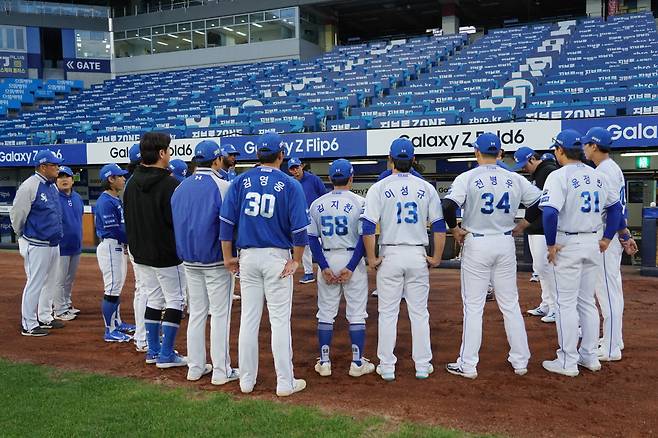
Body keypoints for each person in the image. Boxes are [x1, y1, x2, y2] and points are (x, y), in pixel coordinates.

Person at [442, 133, 542, 379]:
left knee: (474, 307)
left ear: (477, 153)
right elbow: (541, 203)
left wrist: (454, 229)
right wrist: (525, 223)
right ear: (500, 154)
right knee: (510, 304)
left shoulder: (468, 177)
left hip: (477, 242)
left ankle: (468, 364)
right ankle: (520, 362)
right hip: (506, 241)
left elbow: (446, 206)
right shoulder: (514, 178)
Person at [219, 132, 309, 397]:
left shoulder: (239, 181)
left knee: (249, 320)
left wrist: (227, 256)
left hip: (247, 256)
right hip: (276, 257)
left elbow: (226, 224)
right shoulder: (290, 184)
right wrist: (297, 260)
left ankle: (246, 381)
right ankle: (284, 382)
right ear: (281, 155)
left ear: (258, 155)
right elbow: (300, 230)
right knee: (280, 322)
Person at [539, 129, 623, 377]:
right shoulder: (597, 175)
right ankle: (589, 357)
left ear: (560, 150)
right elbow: (616, 207)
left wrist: (551, 244)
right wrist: (607, 238)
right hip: (593, 242)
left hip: (568, 242)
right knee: (587, 302)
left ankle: (567, 361)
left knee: (566, 304)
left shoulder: (558, 175)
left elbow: (550, 212)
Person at [362, 138, 446, 381]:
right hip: (417, 253)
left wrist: (372, 257)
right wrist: (437, 256)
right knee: (419, 313)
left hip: (390, 253)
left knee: (387, 313)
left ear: (390, 160)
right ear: (413, 160)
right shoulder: (427, 187)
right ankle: (422, 365)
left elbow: (368, 225)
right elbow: (439, 225)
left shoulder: (379, 186)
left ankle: (387, 367)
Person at [171, 140, 240, 384]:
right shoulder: (223, 185)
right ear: (216, 160)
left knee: (197, 313)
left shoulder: (179, 187)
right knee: (220, 315)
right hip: (215, 260)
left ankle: (195, 367)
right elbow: (229, 223)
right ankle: (221, 372)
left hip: (189, 259)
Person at [124, 132, 188, 368]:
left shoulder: (130, 183)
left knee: (154, 299)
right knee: (175, 300)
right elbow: (178, 222)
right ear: (161, 153)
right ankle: (166, 353)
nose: (170, 154)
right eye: (168, 150)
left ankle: (153, 350)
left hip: (140, 253)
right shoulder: (170, 184)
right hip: (166, 253)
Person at [308, 159, 374, 378]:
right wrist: (352, 266)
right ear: (351, 177)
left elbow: (312, 239)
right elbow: (365, 237)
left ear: (329, 179)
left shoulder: (317, 204)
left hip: (327, 255)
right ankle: (356, 363)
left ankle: (325, 362)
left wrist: (324, 266)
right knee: (356, 313)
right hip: (351, 256)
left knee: (325, 312)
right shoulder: (361, 202)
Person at [582, 126, 638, 362]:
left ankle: (612, 347)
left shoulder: (604, 171)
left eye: (586, 143)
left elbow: (613, 211)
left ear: (594, 146)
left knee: (607, 292)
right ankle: (615, 339)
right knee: (609, 290)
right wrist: (625, 236)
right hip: (613, 235)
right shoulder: (610, 168)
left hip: (607, 237)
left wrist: (619, 236)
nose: (584, 147)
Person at [11, 150, 64, 336]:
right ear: (43, 167)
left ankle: (45, 316)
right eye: (54, 165)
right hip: (37, 243)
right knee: (35, 283)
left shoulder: (52, 186)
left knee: (50, 282)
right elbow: (17, 214)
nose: (58, 168)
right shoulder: (29, 186)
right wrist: (21, 235)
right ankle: (29, 323)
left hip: (53, 242)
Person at [509, 147, 560, 323]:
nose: (523, 169)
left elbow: (542, 205)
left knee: (547, 269)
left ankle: (555, 307)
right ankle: (547, 304)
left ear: (532, 159)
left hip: (543, 230)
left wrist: (524, 224)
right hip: (536, 229)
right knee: (541, 269)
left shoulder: (548, 171)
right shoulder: (540, 173)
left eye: (524, 164)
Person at [95, 163, 135, 342]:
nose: (123, 178)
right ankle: (109, 329)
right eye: (119, 176)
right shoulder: (105, 201)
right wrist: (132, 239)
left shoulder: (114, 198)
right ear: (111, 179)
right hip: (110, 246)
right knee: (111, 289)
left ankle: (117, 322)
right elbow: (114, 229)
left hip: (117, 246)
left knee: (116, 287)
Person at [288, 157, 327, 284]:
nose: (296, 170)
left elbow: (323, 196)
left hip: (315, 216)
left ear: (302, 166)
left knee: (320, 243)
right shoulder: (291, 182)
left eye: (297, 167)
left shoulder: (313, 179)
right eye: (293, 168)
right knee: (303, 245)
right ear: (290, 170)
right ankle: (309, 273)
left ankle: (325, 269)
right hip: (300, 217)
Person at [53, 166, 83, 321]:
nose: (64, 180)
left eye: (67, 176)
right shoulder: (54, 197)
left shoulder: (77, 197)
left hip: (75, 245)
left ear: (73, 180)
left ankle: (66, 304)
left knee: (69, 278)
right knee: (59, 279)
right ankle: (59, 309)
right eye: (60, 177)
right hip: (60, 246)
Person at [126, 143, 148, 352]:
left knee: (144, 290)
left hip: (136, 242)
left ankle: (143, 336)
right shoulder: (135, 184)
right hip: (141, 243)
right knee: (144, 290)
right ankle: (142, 338)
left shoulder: (132, 182)